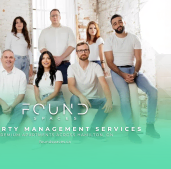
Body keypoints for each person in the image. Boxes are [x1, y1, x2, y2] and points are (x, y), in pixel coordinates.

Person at [104, 14, 160, 144]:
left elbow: (139, 59)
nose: (118, 25)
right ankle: (131, 131)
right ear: (112, 26)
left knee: (153, 91)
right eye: (115, 24)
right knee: (124, 96)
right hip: (117, 71)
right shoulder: (109, 40)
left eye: (120, 22)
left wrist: (135, 73)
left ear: (124, 22)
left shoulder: (134, 38)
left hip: (133, 70)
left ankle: (150, 126)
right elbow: (109, 62)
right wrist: (123, 75)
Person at [68, 42, 113, 143]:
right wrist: (81, 96)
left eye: (85, 50)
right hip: (78, 100)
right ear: (76, 53)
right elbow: (70, 86)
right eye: (80, 50)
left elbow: (104, 84)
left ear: (89, 52)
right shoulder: (72, 68)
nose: (83, 52)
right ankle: (77, 135)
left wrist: (109, 100)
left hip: (93, 100)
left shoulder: (95, 67)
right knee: (73, 98)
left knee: (107, 101)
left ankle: (93, 130)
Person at [0, 49, 28, 146]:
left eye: (11, 57)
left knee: (24, 106)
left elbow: (21, 95)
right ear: (1, 59)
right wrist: (3, 104)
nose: (8, 59)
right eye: (6, 57)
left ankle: (7, 133)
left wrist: (11, 106)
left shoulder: (21, 74)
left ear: (14, 59)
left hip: (14, 106)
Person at [38, 9, 76, 84]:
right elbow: (41, 47)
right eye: (53, 15)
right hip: (49, 65)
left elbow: (72, 45)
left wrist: (61, 58)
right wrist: (52, 58)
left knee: (66, 88)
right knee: (50, 87)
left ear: (60, 17)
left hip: (65, 65)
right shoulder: (44, 31)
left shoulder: (68, 30)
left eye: (56, 15)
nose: (55, 17)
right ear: (50, 18)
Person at [5, 16, 33, 82]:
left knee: (24, 82)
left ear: (23, 24)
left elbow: (29, 51)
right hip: (15, 60)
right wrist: (7, 63)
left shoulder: (26, 36)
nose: (19, 24)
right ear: (14, 25)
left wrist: (31, 66)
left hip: (26, 61)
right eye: (17, 23)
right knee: (14, 81)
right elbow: (7, 50)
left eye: (21, 22)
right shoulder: (10, 35)